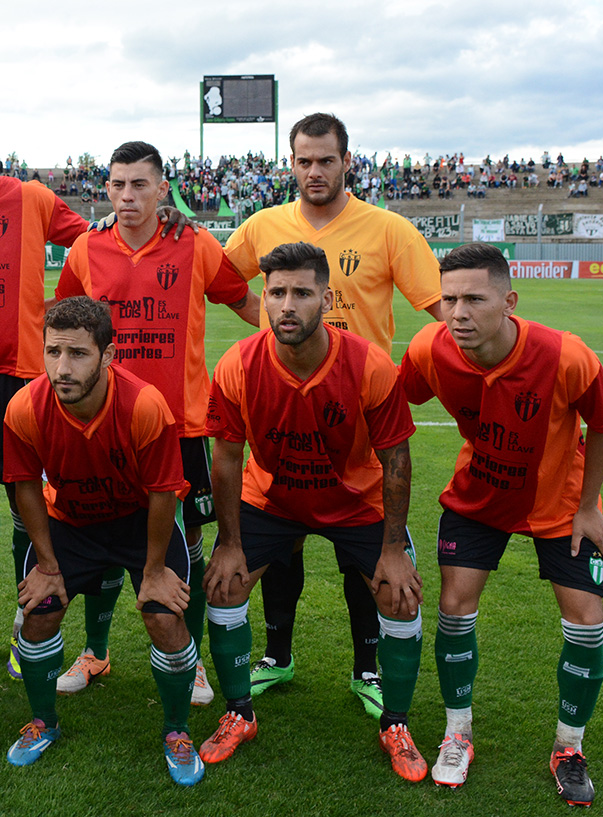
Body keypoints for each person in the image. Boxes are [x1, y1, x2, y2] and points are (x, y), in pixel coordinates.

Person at [0, 97, 187, 676]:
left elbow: (95, 235)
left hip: (22, 381)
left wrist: (159, 215)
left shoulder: (31, 198)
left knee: (31, 508)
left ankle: (29, 624)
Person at [222, 113, 441, 717]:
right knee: (280, 543)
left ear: (348, 161)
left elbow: (440, 308)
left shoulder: (388, 228)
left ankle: (367, 668)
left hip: (359, 420)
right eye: (303, 161)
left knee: (360, 557)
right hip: (281, 408)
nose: (314, 171)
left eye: (325, 160)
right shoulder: (263, 225)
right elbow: (214, 276)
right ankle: (277, 655)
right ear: (289, 164)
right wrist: (265, 322)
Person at [399, 243, 603, 805]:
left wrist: (589, 506)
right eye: (448, 299)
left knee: (586, 617)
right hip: (479, 496)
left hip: (559, 503)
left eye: (474, 298)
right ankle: (457, 732)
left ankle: (569, 747)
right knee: (453, 607)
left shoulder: (566, 356)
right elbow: (395, 402)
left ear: (509, 301)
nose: (458, 313)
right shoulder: (429, 347)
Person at [202, 242, 426, 782]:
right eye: (276, 292)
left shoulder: (368, 364)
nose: (286, 305)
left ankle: (395, 724)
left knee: (399, 596)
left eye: (301, 293)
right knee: (224, 585)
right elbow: (227, 457)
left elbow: (396, 456)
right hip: (273, 500)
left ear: (326, 298)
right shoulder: (238, 364)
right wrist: (230, 542)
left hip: (355, 502)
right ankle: (238, 713)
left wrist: (393, 550)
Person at [53, 141, 255, 704]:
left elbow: (242, 302)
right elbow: (61, 324)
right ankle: (96, 652)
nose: (127, 196)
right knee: (96, 530)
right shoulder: (86, 248)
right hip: (102, 421)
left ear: (164, 189)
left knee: (182, 544)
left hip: (180, 425)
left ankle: (187, 663)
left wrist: (309, 341)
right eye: (117, 184)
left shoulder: (196, 243)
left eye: (140, 184)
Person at [2, 297, 204, 786]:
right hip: (71, 524)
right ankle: (43, 722)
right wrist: (47, 562)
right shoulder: (25, 407)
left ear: (109, 355)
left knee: (165, 619)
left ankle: (177, 731)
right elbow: (25, 487)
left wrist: (154, 570)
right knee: (39, 613)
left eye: (77, 354)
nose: (61, 368)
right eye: (53, 352)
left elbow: (162, 495)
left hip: (140, 524)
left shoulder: (145, 406)